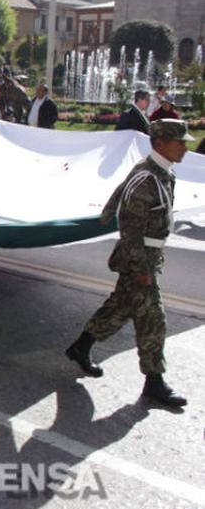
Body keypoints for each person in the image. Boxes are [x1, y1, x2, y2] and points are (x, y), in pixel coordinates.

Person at [64, 119, 194, 407]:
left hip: (148, 257)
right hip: (139, 260)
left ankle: (80, 347)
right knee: (153, 319)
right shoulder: (147, 179)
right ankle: (154, 382)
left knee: (120, 307)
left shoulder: (161, 172)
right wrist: (142, 269)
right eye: (180, 142)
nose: (185, 147)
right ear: (160, 143)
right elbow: (130, 229)